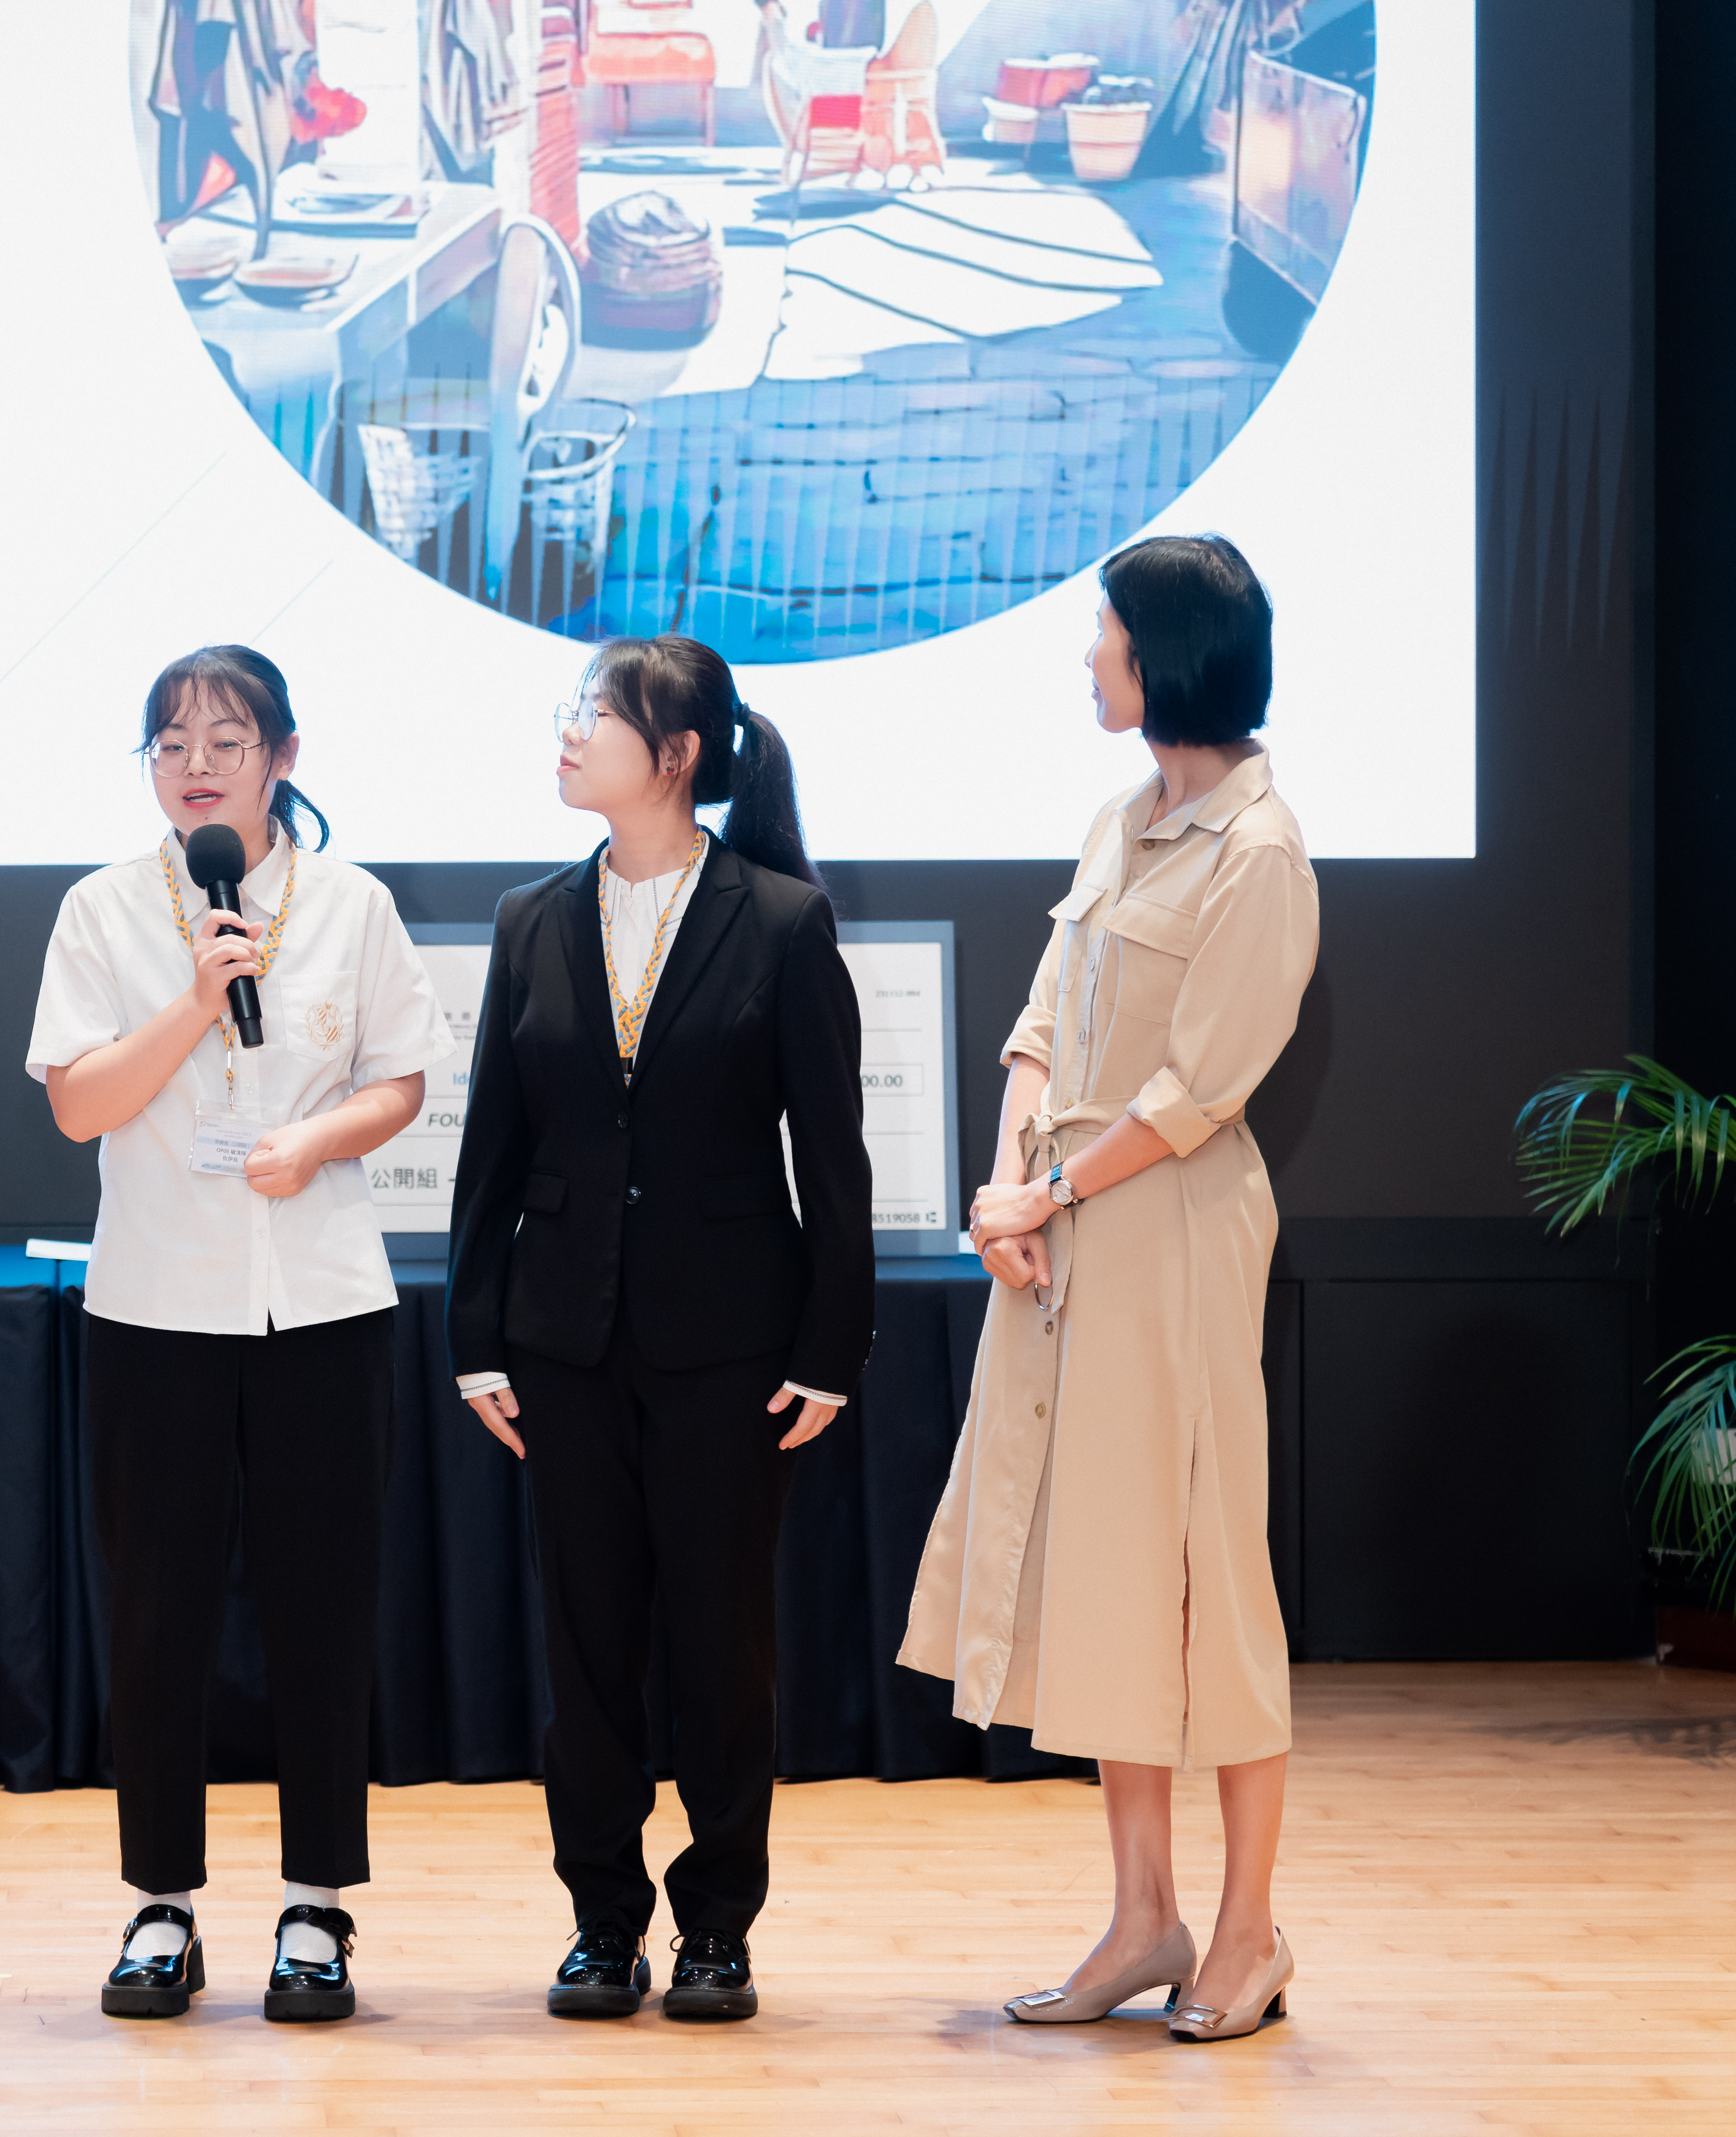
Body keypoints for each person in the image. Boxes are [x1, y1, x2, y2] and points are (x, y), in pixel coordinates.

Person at [898, 534, 1317, 2044]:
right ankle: (1146, 1920)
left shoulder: (1260, 854)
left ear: (1171, 654)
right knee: (1105, 1577)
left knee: (1205, 1573)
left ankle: (1251, 1932)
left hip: (1168, 1243)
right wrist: (1004, 1193)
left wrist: (1052, 1192)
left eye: (1108, 633)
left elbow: (1198, 1092)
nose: (1090, 657)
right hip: (1062, 1233)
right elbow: (1038, 1030)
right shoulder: (1118, 820)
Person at [445, 635, 872, 2022]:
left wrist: (831, 1349)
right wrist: (476, 1332)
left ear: (678, 756)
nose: (569, 734)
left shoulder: (783, 920)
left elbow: (836, 1159)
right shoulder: (529, 919)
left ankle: (718, 1928)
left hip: (732, 1343)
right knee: (586, 1649)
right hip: (563, 1340)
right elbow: (493, 1150)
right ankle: (601, 1920)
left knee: (722, 1646)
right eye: (572, 711)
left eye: (598, 714)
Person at [26, 645, 455, 2024]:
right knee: (156, 1611)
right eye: (172, 743)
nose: (197, 766)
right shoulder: (105, 910)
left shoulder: (352, 905)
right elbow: (79, 1107)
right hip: (156, 1305)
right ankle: (161, 1905)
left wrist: (318, 1139)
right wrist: (195, 1001)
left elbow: (400, 1080)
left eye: (227, 740)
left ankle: (317, 1906)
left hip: (321, 1298)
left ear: (283, 758)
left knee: (324, 1607)